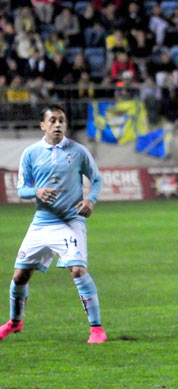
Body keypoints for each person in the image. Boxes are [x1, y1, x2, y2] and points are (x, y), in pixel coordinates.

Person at [0, 105, 107, 344]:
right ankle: (15, 322)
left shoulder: (78, 151)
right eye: (53, 121)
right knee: (19, 276)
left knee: (77, 270)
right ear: (43, 125)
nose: (58, 125)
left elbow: (97, 179)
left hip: (70, 221)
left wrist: (90, 199)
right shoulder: (30, 153)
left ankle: (97, 329)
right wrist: (36, 191)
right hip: (41, 222)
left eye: (61, 121)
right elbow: (22, 189)